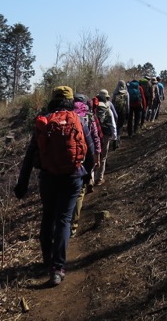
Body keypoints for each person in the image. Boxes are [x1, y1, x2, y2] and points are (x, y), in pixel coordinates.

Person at [13, 85, 95, 287]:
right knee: (64, 220)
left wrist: (22, 184)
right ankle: (57, 269)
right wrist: (87, 174)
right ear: (70, 100)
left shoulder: (44, 121)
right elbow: (91, 151)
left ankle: (47, 259)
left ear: (53, 99)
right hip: (73, 176)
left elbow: (30, 155)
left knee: (48, 216)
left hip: (48, 178)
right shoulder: (78, 120)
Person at [70, 94, 102, 235]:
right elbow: (95, 137)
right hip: (83, 159)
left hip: (67, 158)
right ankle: (73, 225)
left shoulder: (67, 115)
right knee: (79, 193)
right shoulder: (88, 116)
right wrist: (97, 156)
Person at [94, 89, 118, 184]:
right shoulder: (108, 106)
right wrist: (115, 136)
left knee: (94, 155)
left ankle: (91, 179)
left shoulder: (93, 106)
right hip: (105, 134)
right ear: (107, 97)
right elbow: (114, 119)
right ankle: (99, 179)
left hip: (94, 134)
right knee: (103, 157)